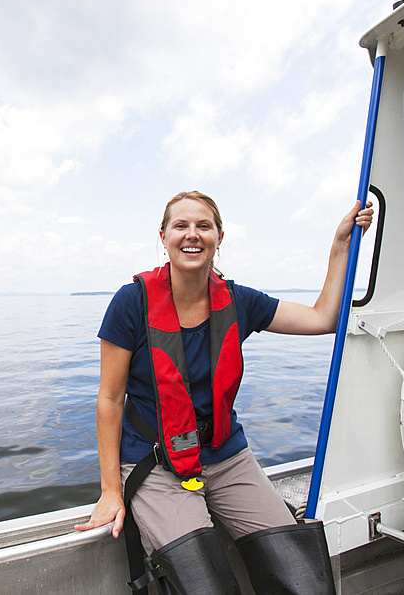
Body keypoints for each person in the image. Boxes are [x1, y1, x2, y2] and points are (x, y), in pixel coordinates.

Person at [74, 191, 373, 594]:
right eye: (180, 226)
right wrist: (111, 490)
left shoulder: (238, 300)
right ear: (163, 237)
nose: (191, 235)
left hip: (226, 455)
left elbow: (323, 318)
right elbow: (109, 400)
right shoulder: (131, 303)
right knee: (205, 586)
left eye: (203, 226)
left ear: (219, 236)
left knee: (303, 575)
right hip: (157, 463)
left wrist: (340, 246)